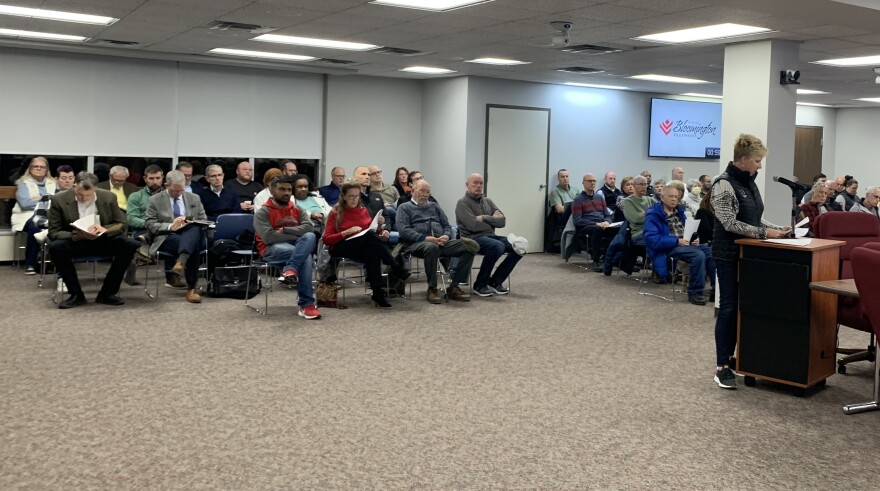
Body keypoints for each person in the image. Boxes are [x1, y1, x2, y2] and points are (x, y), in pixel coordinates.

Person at [711, 133, 791, 390]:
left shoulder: (749, 182)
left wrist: (775, 227)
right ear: (744, 160)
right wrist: (766, 233)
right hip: (727, 254)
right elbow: (730, 223)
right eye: (757, 161)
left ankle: (739, 357)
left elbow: (753, 218)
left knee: (744, 308)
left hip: (749, 255)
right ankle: (722, 365)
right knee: (728, 308)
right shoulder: (723, 184)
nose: (759, 165)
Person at [47, 172, 139, 308]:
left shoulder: (108, 197)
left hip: (102, 239)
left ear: (95, 189)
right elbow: (53, 232)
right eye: (79, 194)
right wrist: (75, 235)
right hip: (75, 240)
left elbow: (121, 223)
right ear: (74, 186)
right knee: (56, 247)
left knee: (129, 244)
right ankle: (76, 294)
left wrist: (104, 229)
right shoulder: (58, 199)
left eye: (88, 195)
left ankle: (108, 293)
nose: (83, 198)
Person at [322, 183, 410, 309]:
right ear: (344, 196)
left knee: (371, 252)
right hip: (340, 246)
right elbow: (326, 239)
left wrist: (380, 228)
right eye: (351, 196)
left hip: (361, 245)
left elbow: (371, 231)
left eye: (356, 196)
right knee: (368, 240)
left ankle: (377, 294)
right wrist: (345, 233)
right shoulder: (336, 212)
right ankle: (394, 265)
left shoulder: (362, 210)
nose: (354, 199)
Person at [253, 177, 321, 320]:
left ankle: (290, 268)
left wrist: (284, 230)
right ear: (272, 190)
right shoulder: (263, 212)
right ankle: (307, 304)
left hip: (295, 247)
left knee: (309, 236)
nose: (286, 193)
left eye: (289, 190)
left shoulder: (297, 209)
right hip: (271, 250)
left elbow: (309, 228)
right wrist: (295, 234)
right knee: (305, 255)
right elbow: (269, 238)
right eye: (282, 189)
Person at [398, 179, 474, 303]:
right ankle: (432, 288)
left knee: (470, 246)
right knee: (431, 247)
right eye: (421, 191)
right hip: (416, 244)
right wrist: (425, 238)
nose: (424, 194)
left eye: (427, 192)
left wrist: (446, 236)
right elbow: (404, 231)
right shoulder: (404, 207)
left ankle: (454, 286)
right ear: (412, 191)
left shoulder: (434, 206)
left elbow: (446, 225)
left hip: (440, 242)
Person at [644, 184, 716, 306]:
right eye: (671, 196)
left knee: (712, 252)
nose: (674, 199)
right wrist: (676, 240)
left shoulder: (680, 211)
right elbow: (653, 240)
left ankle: (717, 290)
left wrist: (695, 238)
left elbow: (688, 229)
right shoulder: (653, 214)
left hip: (685, 243)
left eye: (676, 197)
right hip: (668, 247)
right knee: (698, 255)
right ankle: (695, 292)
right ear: (662, 197)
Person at [145, 170, 208, 303]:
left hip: (190, 233)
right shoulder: (155, 200)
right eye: (175, 190)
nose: (178, 193)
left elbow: (203, 219)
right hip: (168, 237)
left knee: (194, 230)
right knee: (193, 244)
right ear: (167, 185)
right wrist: (170, 226)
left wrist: (187, 220)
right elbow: (150, 224)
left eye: (181, 190)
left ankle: (181, 261)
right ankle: (192, 287)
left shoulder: (194, 198)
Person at [455, 173, 522, 296]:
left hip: (490, 237)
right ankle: (480, 284)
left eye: (481, 183)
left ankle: (495, 281)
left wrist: (484, 217)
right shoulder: (462, 203)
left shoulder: (488, 201)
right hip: (472, 238)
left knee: (520, 246)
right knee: (497, 246)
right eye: (475, 183)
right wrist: (492, 220)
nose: (478, 186)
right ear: (467, 185)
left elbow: (502, 222)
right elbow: (473, 226)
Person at [12, 156, 57, 274]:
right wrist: (45, 202)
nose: (38, 169)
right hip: (26, 215)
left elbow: (57, 201)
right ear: (30, 168)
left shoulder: (53, 183)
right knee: (35, 227)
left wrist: (38, 200)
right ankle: (30, 263)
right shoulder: (23, 182)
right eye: (35, 166)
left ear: (46, 170)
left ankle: (50, 262)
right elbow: (25, 203)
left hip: (49, 215)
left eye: (42, 167)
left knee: (57, 226)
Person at [603, 175, 654, 275]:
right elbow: (636, 219)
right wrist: (651, 213)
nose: (644, 187)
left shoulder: (650, 200)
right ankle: (660, 272)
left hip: (652, 230)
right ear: (634, 186)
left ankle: (665, 271)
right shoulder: (627, 201)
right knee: (657, 243)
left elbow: (660, 214)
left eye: (646, 184)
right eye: (641, 184)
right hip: (638, 233)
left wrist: (645, 214)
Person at [570, 173, 617, 272]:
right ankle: (596, 260)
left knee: (617, 229)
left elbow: (607, 214)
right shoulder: (578, 199)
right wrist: (596, 224)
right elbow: (577, 220)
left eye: (594, 181)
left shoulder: (599, 198)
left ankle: (610, 259)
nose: (592, 183)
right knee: (597, 230)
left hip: (602, 224)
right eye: (589, 181)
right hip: (586, 226)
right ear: (583, 183)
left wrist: (607, 222)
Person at [127, 165, 164, 233]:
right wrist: (152, 224)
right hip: (143, 230)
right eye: (151, 178)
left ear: (162, 178)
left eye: (158, 178)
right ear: (145, 179)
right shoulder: (136, 196)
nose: (155, 182)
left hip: (165, 230)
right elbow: (131, 219)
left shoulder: (168, 195)